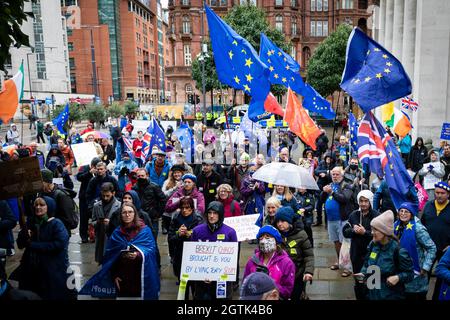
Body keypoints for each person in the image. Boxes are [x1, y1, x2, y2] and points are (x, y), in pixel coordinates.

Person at [79, 203, 160, 299]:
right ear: (120, 215)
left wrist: (138, 255)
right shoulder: (117, 233)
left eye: (130, 212)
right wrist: (114, 275)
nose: (127, 215)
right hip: (123, 279)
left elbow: (151, 252)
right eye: (124, 212)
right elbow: (110, 257)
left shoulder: (145, 231)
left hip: (141, 278)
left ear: (135, 214)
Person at [11, 197, 74, 300]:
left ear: (49, 207)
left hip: (51, 270)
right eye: (36, 205)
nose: (38, 207)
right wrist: (24, 235)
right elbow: (20, 244)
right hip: (32, 270)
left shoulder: (56, 224)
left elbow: (58, 245)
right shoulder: (30, 222)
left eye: (42, 205)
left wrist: (33, 245)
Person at [354, 210, 415, 300]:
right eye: (372, 229)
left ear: (385, 232)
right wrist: (363, 273)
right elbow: (367, 263)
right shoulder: (373, 244)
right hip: (372, 294)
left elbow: (410, 274)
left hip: (390, 295)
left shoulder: (398, 251)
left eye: (375, 230)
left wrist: (398, 277)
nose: (371, 232)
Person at [191, 201, 238, 300]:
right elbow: (192, 258)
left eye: (215, 213)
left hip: (222, 280)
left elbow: (233, 260)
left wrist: (216, 275)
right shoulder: (197, 231)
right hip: (202, 280)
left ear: (220, 215)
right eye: (209, 213)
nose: (212, 216)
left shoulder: (230, 232)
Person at [394, 202, 436, 300]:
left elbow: (432, 248)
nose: (403, 214)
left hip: (416, 274)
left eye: (406, 212)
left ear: (412, 214)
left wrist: (425, 267)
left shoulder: (418, 229)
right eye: (401, 211)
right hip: (400, 274)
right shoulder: (395, 226)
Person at [343, 190, 379, 299]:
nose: (363, 204)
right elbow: (345, 232)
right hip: (357, 254)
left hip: (372, 255)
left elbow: (379, 235)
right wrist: (354, 231)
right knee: (359, 282)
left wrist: (365, 233)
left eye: (366, 201)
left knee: (372, 283)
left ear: (370, 202)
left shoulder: (376, 216)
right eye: (361, 201)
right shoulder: (354, 215)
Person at [243, 225, 295, 300]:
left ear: (276, 241)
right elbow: (245, 286)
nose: (264, 240)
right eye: (261, 237)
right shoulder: (252, 261)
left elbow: (287, 291)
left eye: (268, 237)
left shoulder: (286, 263)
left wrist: (269, 282)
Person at [274, 207, 314, 301]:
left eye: (283, 221)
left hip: (297, 275)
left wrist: (308, 271)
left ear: (289, 221)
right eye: (278, 221)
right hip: (280, 276)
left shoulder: (301, 234)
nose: (279, 224)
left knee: (295, 296)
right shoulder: (275, 234)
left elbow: (309, 255)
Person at [320, 167, 356, 272]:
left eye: (337, 174)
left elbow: (344, 199)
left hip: (342, 219)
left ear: (342, 175)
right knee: (336, 241)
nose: (335, 176)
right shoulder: (330, 185)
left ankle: (348, 266)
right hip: (331, 220)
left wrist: (331, 192)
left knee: (345, 243)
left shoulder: (347, 185)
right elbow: (322, 200)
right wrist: (324, 192)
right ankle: (340, 261)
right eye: (333, 174)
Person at [167, 196, 203, 299]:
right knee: (183, 285)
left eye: (187, 208)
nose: (184, 210)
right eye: (182, 207)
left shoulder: (198, 218)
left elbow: (202, 237)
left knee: (196, 286)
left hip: (195, 256)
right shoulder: (176, 217)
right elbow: (170, 237)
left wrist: (190, 234)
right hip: (180, 255)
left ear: (192, 208)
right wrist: (179, 234)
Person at [421, 181, 450, 299]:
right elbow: (422, 225)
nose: (439, 195)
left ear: (448, 194)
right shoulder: (428, 205)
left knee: (441, 276)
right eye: (437, 192)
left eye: (442, 193)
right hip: (428, 248)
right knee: (424, 275)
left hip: (445, 250)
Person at [91, 183, 122, 264]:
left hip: (114, 237)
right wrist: (98, 222)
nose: (105, 198)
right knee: (102, 260)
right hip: (101, 237)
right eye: (103, 195)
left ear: (113, 193)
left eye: (108, 195)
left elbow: (122, 224)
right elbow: (92, 221)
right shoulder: (96, 205)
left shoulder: (119, 205)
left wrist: (111, 222)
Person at [39, 169, 77, 234]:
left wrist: (52, 221)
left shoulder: (61, 196)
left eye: (40, 182)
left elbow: (69, 220)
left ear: (47, 182)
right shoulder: (41, 194)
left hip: (60, 234)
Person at [132, 168, 167, 239]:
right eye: (139, 176)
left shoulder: (154, 186)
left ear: (146, 175)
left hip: (152, 218)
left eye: (142, 176)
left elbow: (163, 200)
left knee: (153, 239)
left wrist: (158, 213)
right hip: (139, 218)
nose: (140, 178)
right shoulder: (134, 188)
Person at [76, 157, 101, 243]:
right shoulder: (85, 168)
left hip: (95, 198)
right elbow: (79, 177)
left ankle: (94, 235)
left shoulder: (101, 170)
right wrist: (89, 173)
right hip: (84, 197)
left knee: (95, 217)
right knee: (83, 217)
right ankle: (84, 236)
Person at [161, 165, 186, 234]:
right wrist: (174, 188)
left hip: (180, 208)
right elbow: (164, 194)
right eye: (175, 173)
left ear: (182, 173)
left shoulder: (186, 181)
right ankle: (165, 225)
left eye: (178, 172)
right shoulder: (167, 182)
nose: (176, 174)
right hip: (168, 209)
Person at [314, 153, 335, 226]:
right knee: (319, 205)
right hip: (320, 186)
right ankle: (318, 220)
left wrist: (326, 174)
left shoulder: (334, 166)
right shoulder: (321, 163)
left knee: (327, 205)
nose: (328, 159)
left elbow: (334, 175)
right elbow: (316, 171)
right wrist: (326, 171)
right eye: (327, 158)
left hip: (329, 187)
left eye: (330, 158)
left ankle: (327, 221)